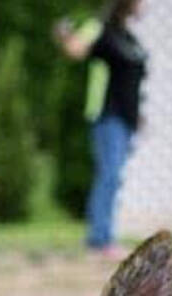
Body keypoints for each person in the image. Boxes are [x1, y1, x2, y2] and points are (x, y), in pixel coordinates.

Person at [54, 0, 148, 259]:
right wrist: (64, 33)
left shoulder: (128, 37)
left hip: (127, 118)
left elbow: (131, 80)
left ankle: (104, 237)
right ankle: (99, 241)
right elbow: (76, 50)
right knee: (109, 176)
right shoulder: (101, 29)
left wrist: (138, 115)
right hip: (108, 115)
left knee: (114, 177)